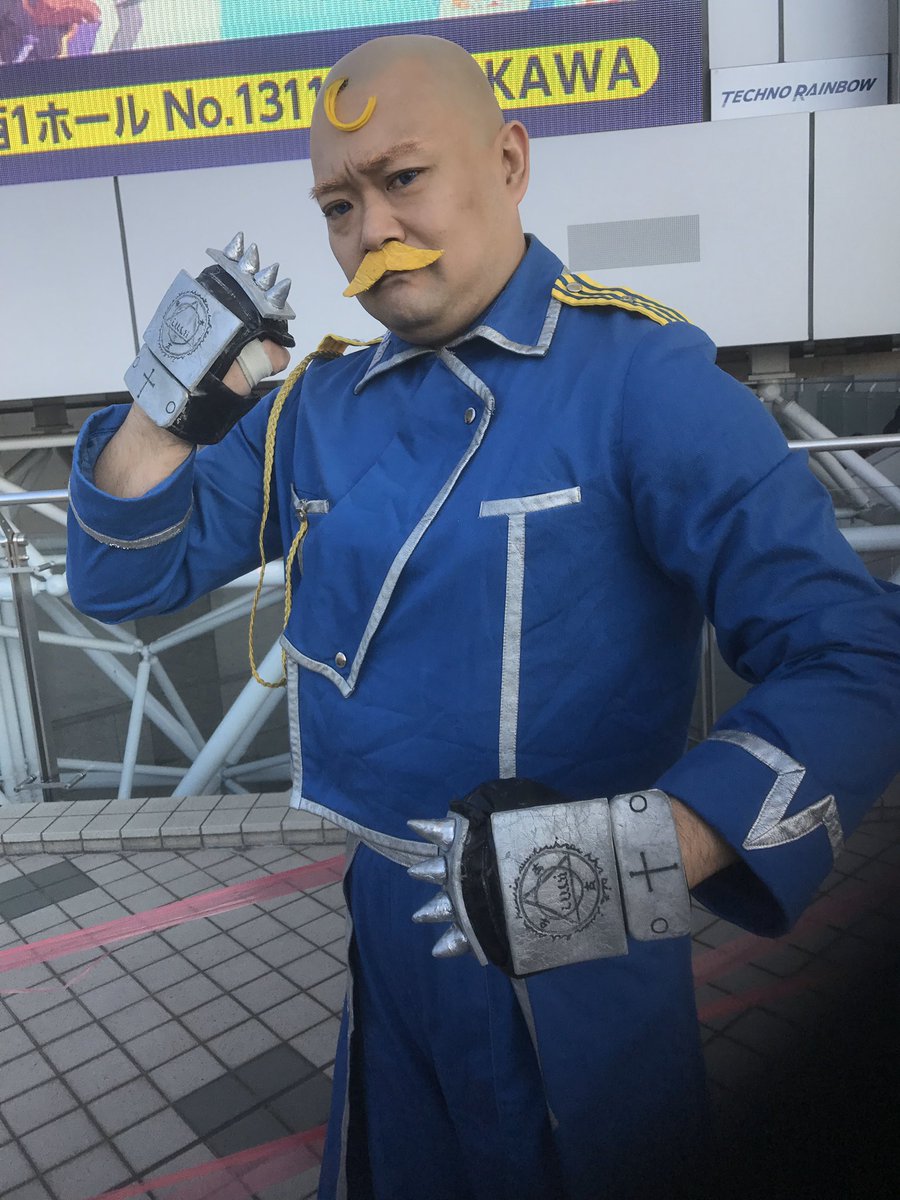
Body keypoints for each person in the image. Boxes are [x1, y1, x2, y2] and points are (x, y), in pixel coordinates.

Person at [66, 33, 900, 1200]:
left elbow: (854, 653)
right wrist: (164, 404)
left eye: (402, 178)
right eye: (338, 204)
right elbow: (121, 583)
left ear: (510, 161)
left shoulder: (641, 377)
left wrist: (644, 853)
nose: (372, 229)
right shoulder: (317, 404)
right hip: (387, 915)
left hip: (579, 925)